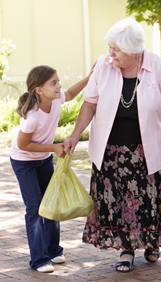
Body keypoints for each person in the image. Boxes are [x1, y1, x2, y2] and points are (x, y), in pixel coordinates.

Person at [63, 18, 161, 273]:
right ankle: (126, 249)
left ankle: (151, 242)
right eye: (110, 47)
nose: (110, 53)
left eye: (116, 49)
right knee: (118, 204)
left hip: (146, 151)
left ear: (134, 51)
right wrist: (73, 135)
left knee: (147, 202)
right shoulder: (104, 66)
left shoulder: (158, 67)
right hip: (110, 151)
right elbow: (90, 103)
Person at [10, 64, 94, 273]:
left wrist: (90, 77)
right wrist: (54, 147)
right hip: (24, 162)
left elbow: (72, 93)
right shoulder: (32, 116)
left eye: (58, 81)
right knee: (35, 208)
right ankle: (39, 260)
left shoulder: (56, 101)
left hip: (43, 159)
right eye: (53, 83)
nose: (59, 85)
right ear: (39, 90)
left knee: (52, 202)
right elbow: (23, 145)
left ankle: (53, 250)